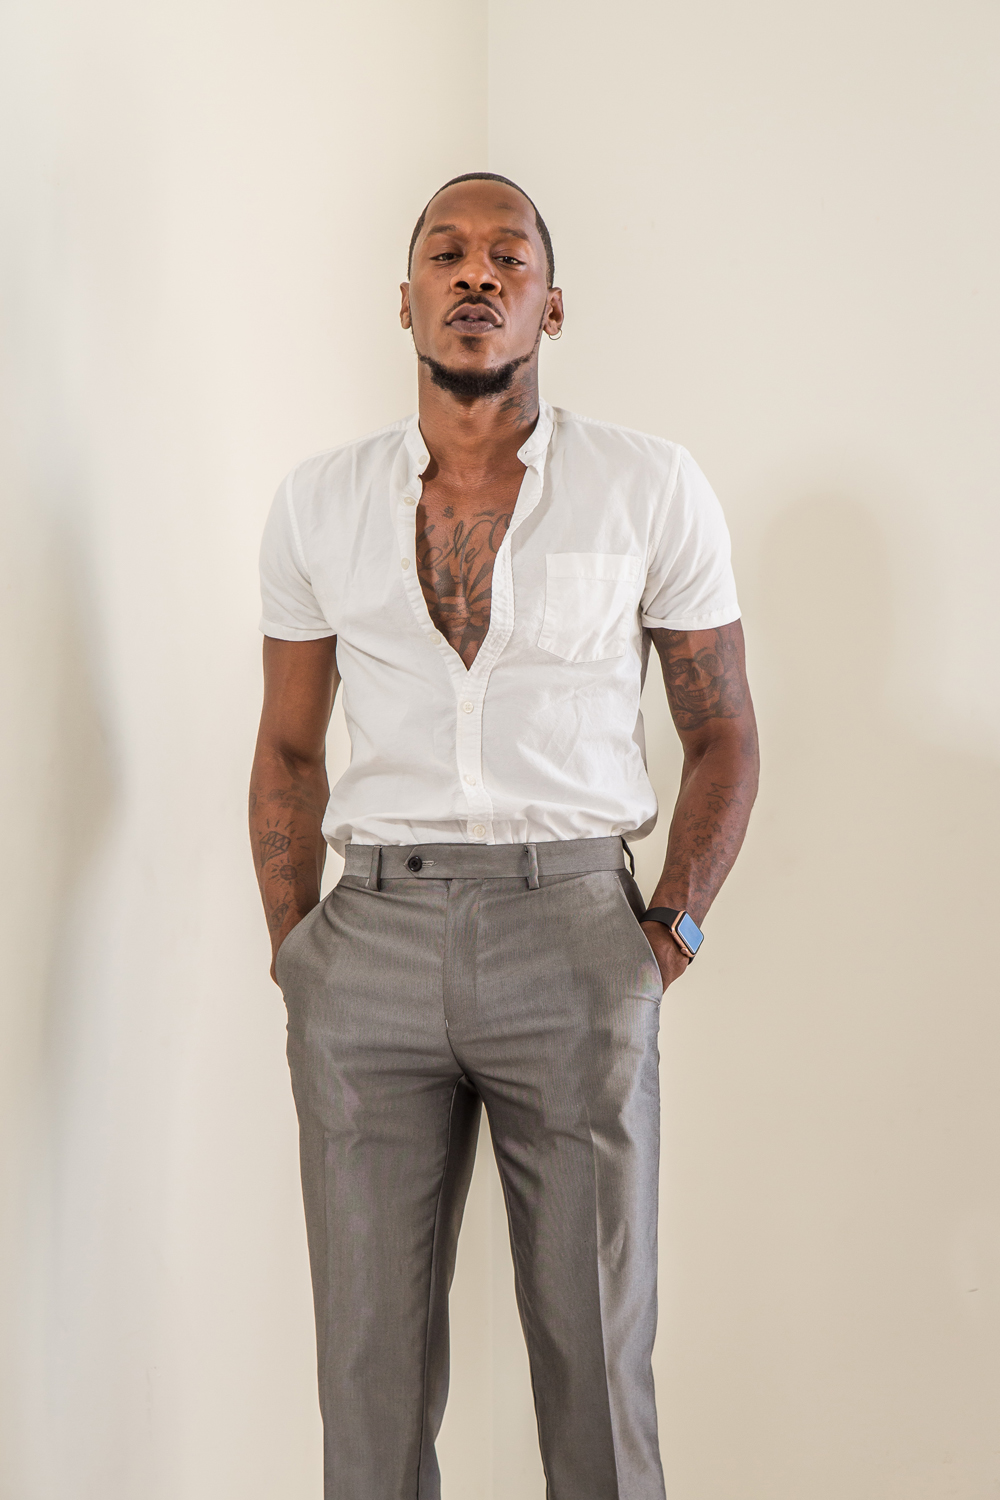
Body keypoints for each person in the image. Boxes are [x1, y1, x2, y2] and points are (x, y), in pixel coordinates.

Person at [249, 171, 759, 1500]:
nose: (477, 274)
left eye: (507, 256)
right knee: (366, 1382)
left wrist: (666, 932)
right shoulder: (318, 502)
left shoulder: (648, 486)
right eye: (447, 252)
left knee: (598, 1373)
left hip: (575, 937)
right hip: (368, 946)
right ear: (405, 298)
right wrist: (299, 951)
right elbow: (289, 748)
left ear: (552, 304)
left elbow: (723, 731)